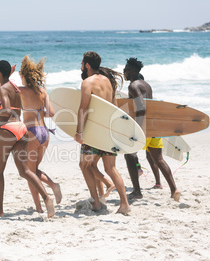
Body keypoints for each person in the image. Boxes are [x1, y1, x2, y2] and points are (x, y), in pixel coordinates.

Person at [0, 60, 55, 218]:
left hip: (7, 129)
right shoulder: (15, 88)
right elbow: (13, 106)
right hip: (21, 129)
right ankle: (47, 198)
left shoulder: (2, 87)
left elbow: (7, 111)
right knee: (25, 170)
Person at [74, 51, 130, 215]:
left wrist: (79, 132)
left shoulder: (87, 82)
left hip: (94, 131)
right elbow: (113, 106)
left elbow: (83, 108)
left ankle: (96, 202)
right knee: (111, 168)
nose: (81, 66)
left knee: (84, 165)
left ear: (87, 65)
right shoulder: (108, 82)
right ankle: (124, 204)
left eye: (82, 63)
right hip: (109, 129)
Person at [123, 57, 181, 201]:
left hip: (144, 127)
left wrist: (138, 129)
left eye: (125, 70)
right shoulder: (146, 85)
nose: (124, 73)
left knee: (129, 155)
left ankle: (137, 191)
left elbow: (141, 108)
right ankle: (174, 190)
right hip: (154, 127)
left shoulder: (133, 85)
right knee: (158, 158)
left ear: (132, 71)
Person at [17, 55, 62, 213]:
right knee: (34, 170)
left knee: (29, 173)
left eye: (20, 75)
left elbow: (6, 88)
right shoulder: (43, 91)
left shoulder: (21, 90)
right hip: (44, 133)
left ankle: (41, 204)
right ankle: (52, 187)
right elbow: (51, 113)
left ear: (24, 76)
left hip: (31, 133)